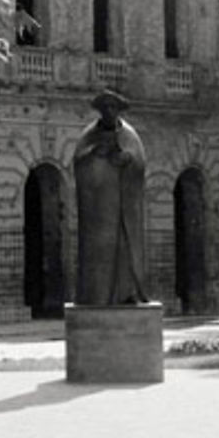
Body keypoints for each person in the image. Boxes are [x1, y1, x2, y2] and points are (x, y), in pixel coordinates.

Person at [73, 89, 148, 305]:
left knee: (125, 250)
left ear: (118, 110)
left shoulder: (130, 135)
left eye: (113, 107)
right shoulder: (88, 136)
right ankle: (96, 295)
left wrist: (127, 159)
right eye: (104, 108)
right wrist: (95, 154)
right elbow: (79, 162)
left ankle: (127, 293)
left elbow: (139, 163)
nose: (108, 112)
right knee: (99, 253)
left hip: (124, 206)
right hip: (100, 210)